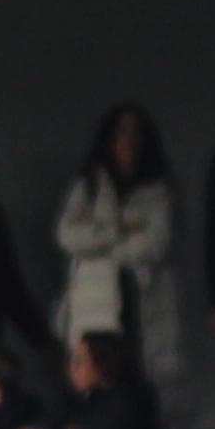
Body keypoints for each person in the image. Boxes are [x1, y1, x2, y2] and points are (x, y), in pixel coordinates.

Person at [54, 105, 178, 374]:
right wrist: (120, 229)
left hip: (141, 299)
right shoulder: (88, 186)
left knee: (147, 378)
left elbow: (157, 242)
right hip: (95, 303)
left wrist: (100, 244)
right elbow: (67, 235)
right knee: (98, 377)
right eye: (122, 132)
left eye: (137, 132)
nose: (129, 140)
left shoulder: (157, 190)